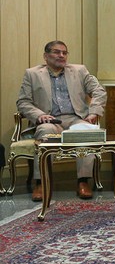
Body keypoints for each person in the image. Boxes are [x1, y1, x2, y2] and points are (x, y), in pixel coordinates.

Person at [16, 40, 107, 201]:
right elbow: (23, 102)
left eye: (64, 53)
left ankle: (83, 181)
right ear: (46, 56)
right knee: (45, 131)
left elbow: (99, 91)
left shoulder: (79, 70)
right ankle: (41, 182)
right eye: (56, 52)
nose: (61, 55)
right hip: (51, 121)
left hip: (76, 118)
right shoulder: (32, 74)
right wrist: (39, 115)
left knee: (86, 132)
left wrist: (94, 112)